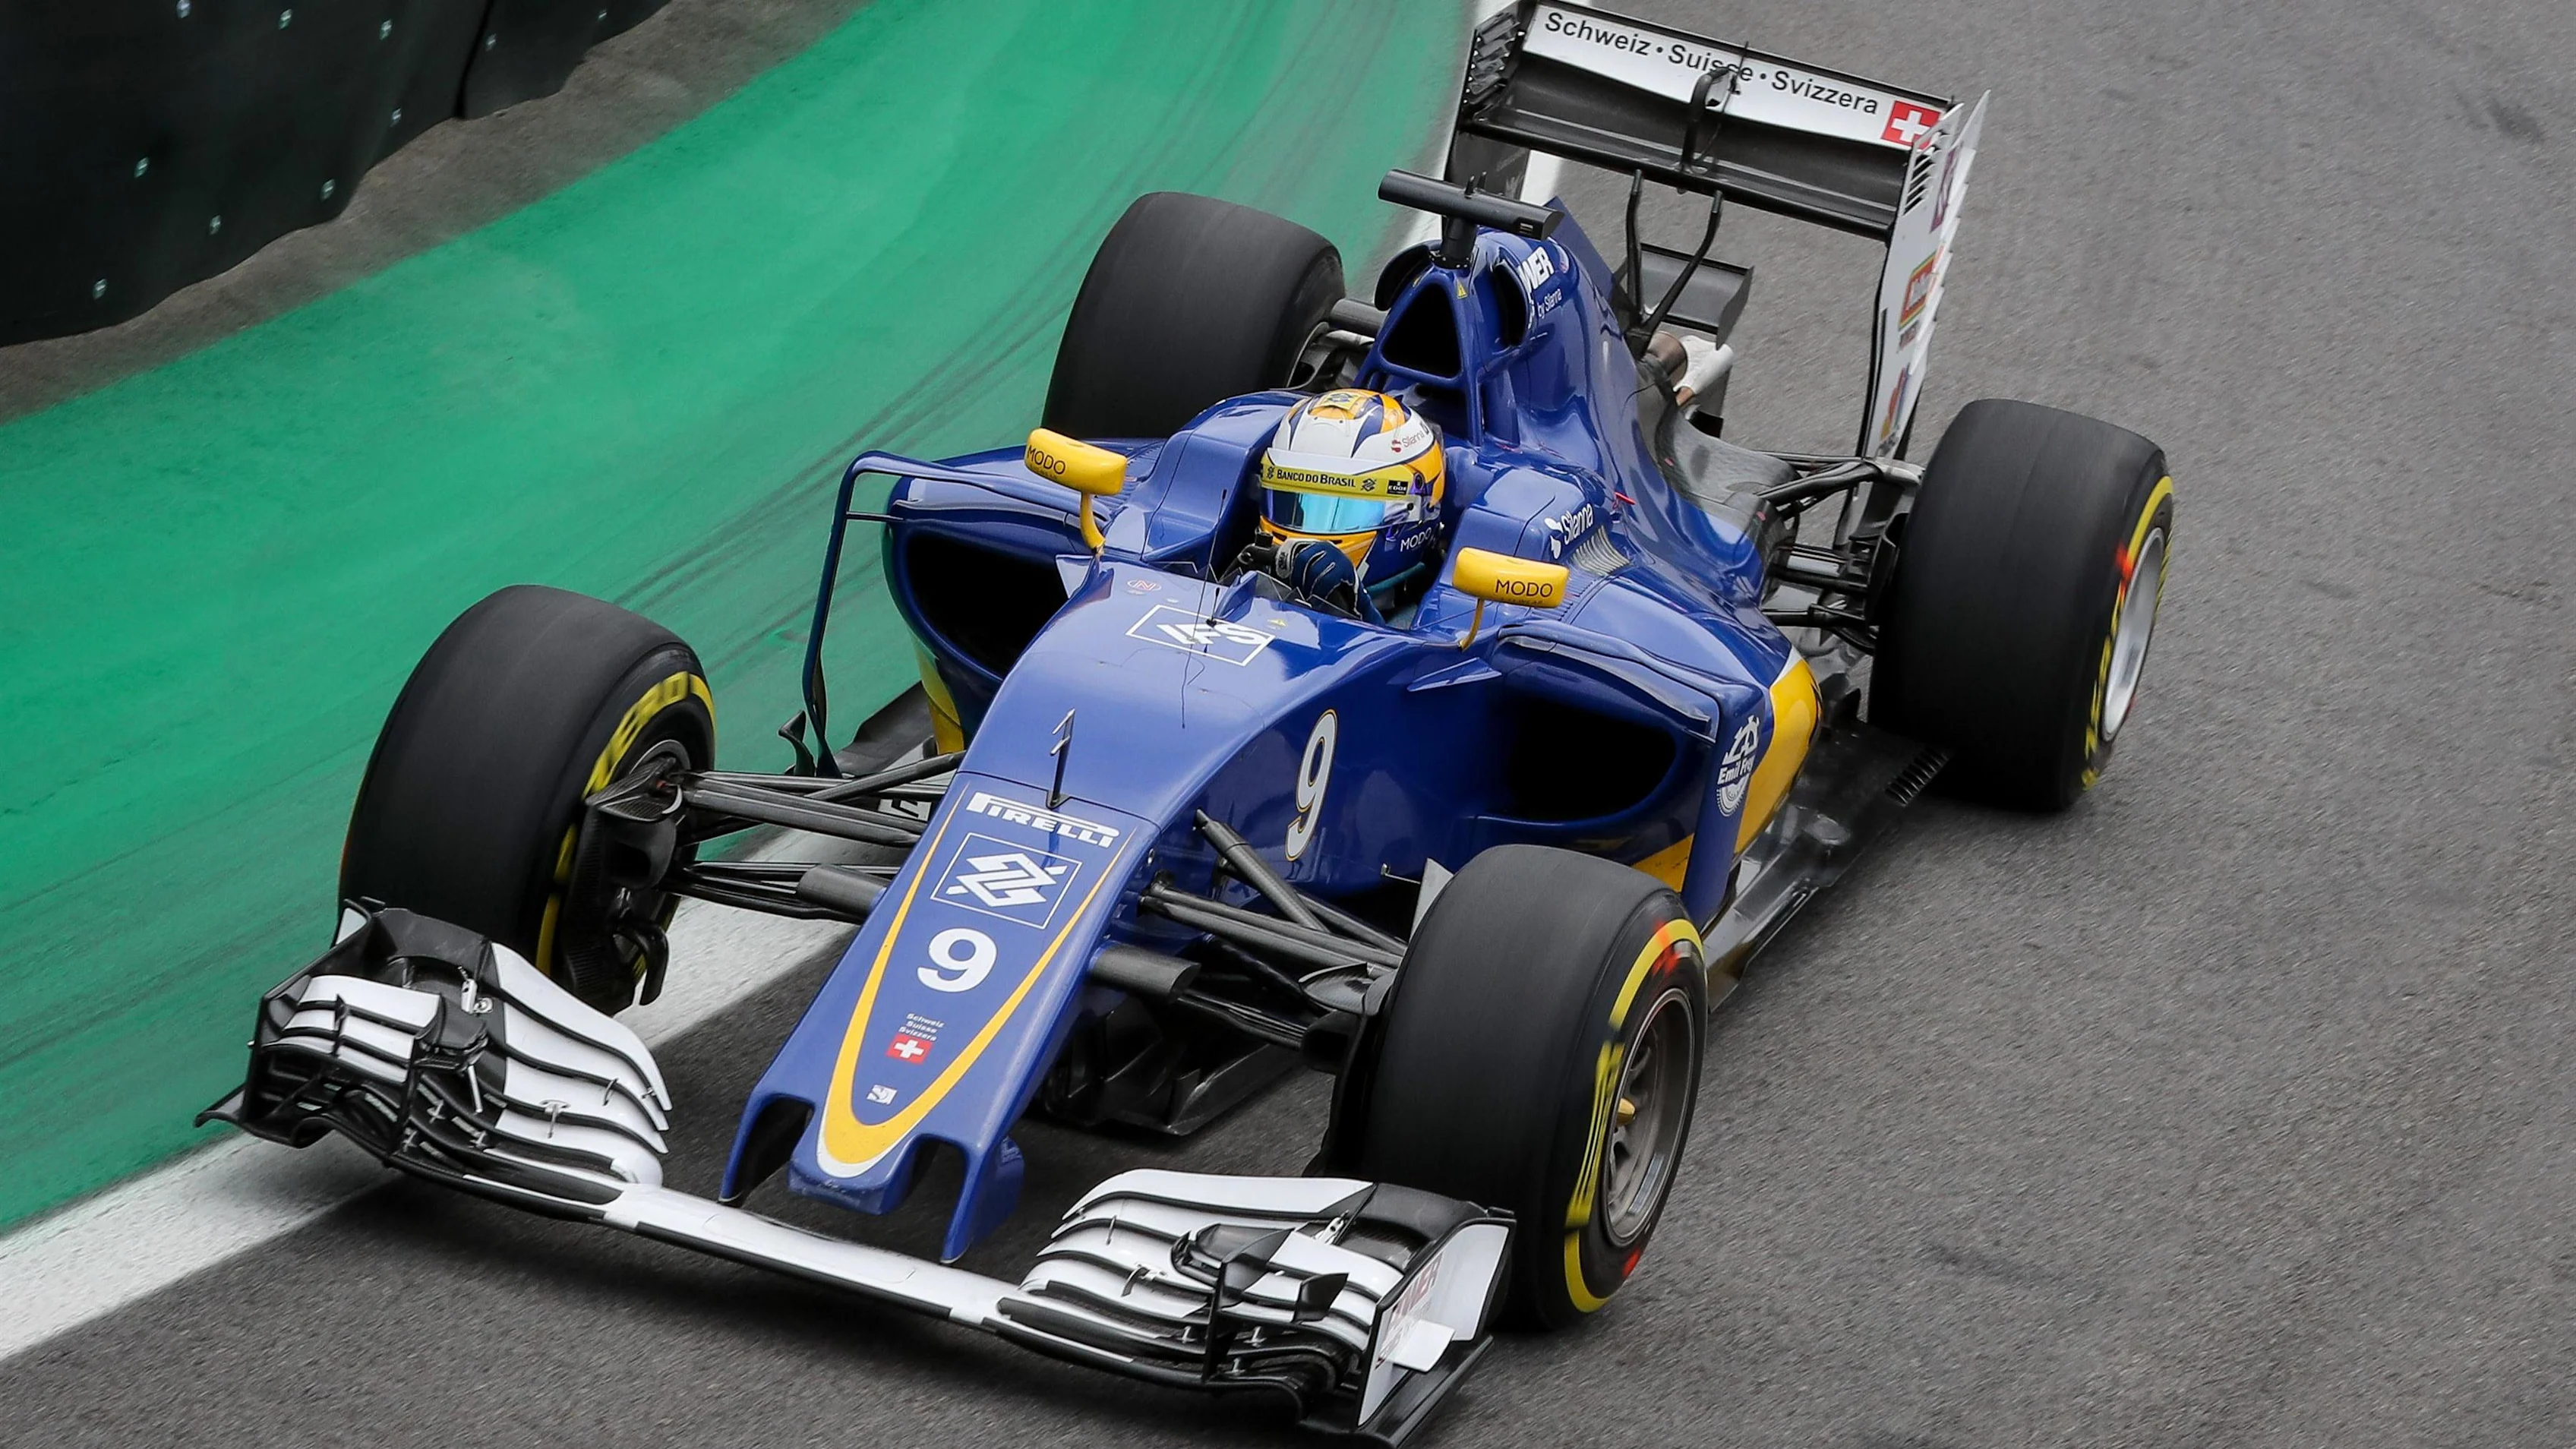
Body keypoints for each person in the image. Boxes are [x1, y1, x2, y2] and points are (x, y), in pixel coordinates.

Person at [1236, 388, 1446, 621]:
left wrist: (1362, 614)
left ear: (1411, 512)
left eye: (1345, 512)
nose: (1299, 538)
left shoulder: (1441, 622)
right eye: (1290, 505)